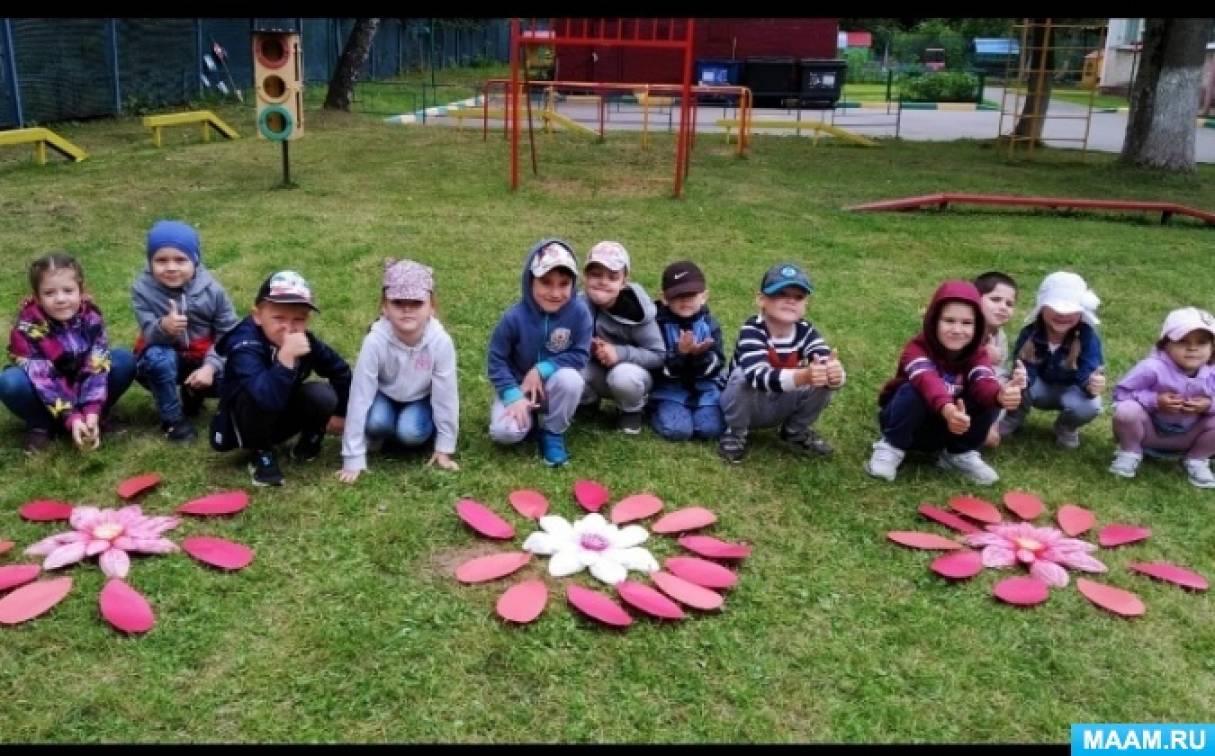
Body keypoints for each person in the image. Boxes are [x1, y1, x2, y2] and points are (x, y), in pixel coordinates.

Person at [865, 280, 1021, 485]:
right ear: (933, 321)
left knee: (989, 397)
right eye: (949, 321)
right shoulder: (916, 349)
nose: (957, 329)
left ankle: (958, 454)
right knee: (914, 391)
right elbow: (927, 381)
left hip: (950, 429)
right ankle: (892, 446)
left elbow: (984, 380)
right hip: (911, 425)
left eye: (967, 323)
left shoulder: (978, 354)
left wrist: (1000, 395)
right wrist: (948, 410)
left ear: (978, 327)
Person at [209, 270, 351, 487]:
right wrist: (285, 358)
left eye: (299, 319)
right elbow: (265, 398)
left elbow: (340, 370)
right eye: (278, 318)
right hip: (243, 423)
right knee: (256, 394)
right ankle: (261, 453)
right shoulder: (244, 346)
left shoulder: (305, 341)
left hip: (281, 414)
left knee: (322, 394)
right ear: (257, 316)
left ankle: (311, 437)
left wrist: (340, 413)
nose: (289, 327)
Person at [337, 259, 459, 484]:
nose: (407, 309)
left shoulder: (440, 342)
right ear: (384, 307)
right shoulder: (375, 341)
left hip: (420, 398)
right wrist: (353, 456)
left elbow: (446, 395)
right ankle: (381, 433)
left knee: (410, 433)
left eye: (416, 302)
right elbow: (360, 395)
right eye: (398, 302)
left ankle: (416, 427)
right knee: (376, 423)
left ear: (431, 306)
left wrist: (445, 446)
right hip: (384, 395)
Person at [1, 252, 135, 454]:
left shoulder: (92, 318)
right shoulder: (28, 329)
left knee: (123, 360)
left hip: (82, 381)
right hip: (45, 389)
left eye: (68, 290)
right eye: (50, 293)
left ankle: (98, 418)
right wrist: (71, 417)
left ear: (81, 291)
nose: (61, 299)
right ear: (37, 297)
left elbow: (96, 366)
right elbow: (44, 380)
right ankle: (42, 425)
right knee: (10, 382)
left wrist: (91, 412)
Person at [717, 262, 845, 464]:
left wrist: (834, 373)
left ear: (806, 304)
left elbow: (822, 357)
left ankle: (795, 431)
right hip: (747, 404)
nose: (790, 301)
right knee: (742, 376)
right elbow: (757, 377)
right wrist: (803, 375)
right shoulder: (752, 330)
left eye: (798, 296)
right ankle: (735, 433)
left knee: (822, 375)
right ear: (761, 300)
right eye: (780, 294)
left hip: (780, 400)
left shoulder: (806, 331)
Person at [131, 220, 239, 442]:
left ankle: (194, 392)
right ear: (150, 261)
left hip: (204, 356)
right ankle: (172, 419)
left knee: (241, 370)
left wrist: (210, 367)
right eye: (161, 260)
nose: (171, 267)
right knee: (158, 358)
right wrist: (164, 327)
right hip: (164, 357)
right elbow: (148, 331)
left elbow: (228, 335)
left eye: (180, 260)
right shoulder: (142, 289)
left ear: (195, 260)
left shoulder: (214, 291)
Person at [487, 239, 591, 467]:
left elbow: (580, 354)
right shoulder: (513, 317)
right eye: (546, 282)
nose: (555, 292)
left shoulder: (580, 313)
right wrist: (513, 395)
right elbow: (496, 361)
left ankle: (552, 432)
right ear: (530, 281)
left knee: (572, 380)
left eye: (564, 284)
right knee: (504, 433)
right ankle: (528, 418)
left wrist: (541, 369)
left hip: (553, 387)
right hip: (519, 388)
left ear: (573, 285)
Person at [1110, 307, 1215, 488]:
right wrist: (1155, 401)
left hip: (1189, 436)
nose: (1192, 348)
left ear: (1212, 347)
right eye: (1182, 341)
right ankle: (1130, 452)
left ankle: (1197, 459)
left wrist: (1209, 405)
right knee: (1126, 410)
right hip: (1149, 433)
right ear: (1165, 344)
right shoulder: (1152, 367)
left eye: (1202, 342)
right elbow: (1121, 394)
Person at [999, 271, 1105, 449]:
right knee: (1016, 385)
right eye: (1055, 308)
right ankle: (1013, 418)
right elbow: (1025, 367)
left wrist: (1091, 384)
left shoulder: (1087, 336)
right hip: (1038, 386)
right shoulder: (1030, 333)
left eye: (1071, 310)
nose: (1062, 315)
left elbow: (1089, 369)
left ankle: (1066, 427)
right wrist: (1021, 379)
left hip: (1072, 389)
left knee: (1091, 405)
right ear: (1042, 308)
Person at [578, 241, 665, 434]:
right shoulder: (578, 304)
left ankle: (631, 410)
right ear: (584, 277)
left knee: (623, 376)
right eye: (596, 274)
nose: (603, 281)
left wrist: (619, 353)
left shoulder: (636, 311)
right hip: (596, 368)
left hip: (633, 374)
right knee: (571, 365)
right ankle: (587, 403)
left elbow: (659, 355)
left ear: (624, 281)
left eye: (612, 276)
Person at [648, 261, 726, 442]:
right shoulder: (657, 324)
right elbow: (656, 366)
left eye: (691, 294)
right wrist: (680, 353)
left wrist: (701, 356)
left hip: (705, 390)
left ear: (704, 296)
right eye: (677, 295)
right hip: (668, 391)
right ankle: (652, 410)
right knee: (678, 431)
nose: (685, 300)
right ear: (664, 298)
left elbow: (717, 363)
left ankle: (703, 411)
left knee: (710, 430)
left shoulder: (710, 325)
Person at [973, 271, 1026, 448]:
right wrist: (981, 354)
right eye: (995, 300)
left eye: (1009, 304)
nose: (1003, 307)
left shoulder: (999, 335)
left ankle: (992, 423)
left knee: (1009, 381)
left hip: (985, 393)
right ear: (976, 298)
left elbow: (996, 376)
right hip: (957, 393)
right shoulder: (966, 328)